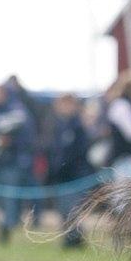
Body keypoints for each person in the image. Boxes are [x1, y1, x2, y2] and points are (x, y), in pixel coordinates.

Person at [0, 84, 36, 242]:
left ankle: (6, 229)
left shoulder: (18, 112)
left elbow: (27, 139)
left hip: (10, 165)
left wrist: (10, 143)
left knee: (9, 200)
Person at [47, 94, 92, 247]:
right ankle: (69, 237)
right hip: (61, 175)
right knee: (64, 209)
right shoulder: (58, 126)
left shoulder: (77, 126)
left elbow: (79, 151)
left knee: (72, 208)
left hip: (74, 175)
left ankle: (75, 238)